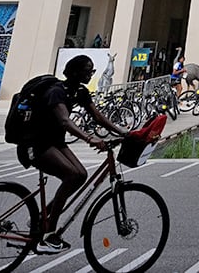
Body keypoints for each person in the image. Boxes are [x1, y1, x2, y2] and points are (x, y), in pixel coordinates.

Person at [24, 55, 127, 253]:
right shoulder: (56, 92)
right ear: (73, 72)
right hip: (35, 144)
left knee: (81, 175)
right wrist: (90, 138)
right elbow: (64, 121)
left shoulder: (79, 91)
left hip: (55, 142)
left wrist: (123, 132)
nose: (90, 74)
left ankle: (41, 217)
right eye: (87, 70)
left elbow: (97, 116)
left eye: (92, 70)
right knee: (71, 175)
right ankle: (48, 235)